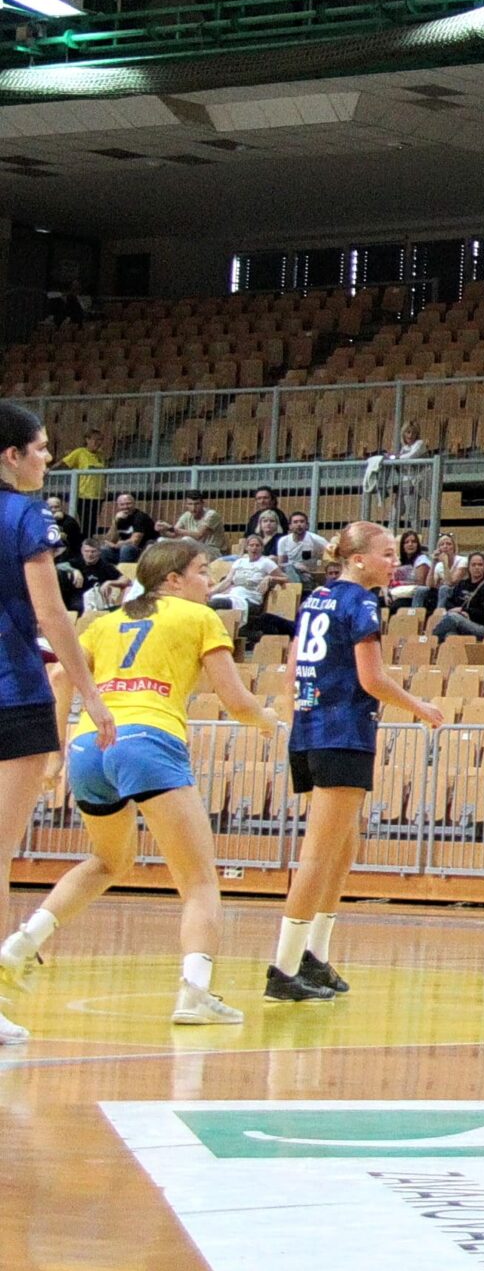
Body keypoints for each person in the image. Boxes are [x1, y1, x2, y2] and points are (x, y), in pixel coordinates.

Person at [0, 540, 278, 1027]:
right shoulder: (200, 617)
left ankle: (21, 945)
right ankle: (195, 993)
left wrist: (55, 754)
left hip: (91, 746)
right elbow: (236, 701)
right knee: (199, 881)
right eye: (201, 571)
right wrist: (268, 722)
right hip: (149, 740)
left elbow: (60, 677)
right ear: (173, 579)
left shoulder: (104, 621)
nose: (209, 582)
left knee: (109, 860)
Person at [270, 521, 444, 1003]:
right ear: (359, 559)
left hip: (311, 731)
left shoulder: (316, 598)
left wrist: (298, 718)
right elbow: (372, 679)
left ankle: (315, 955)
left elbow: (292, 668)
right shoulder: (361, 602)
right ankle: (283, 968)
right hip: (342, 733)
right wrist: (420, 707)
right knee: (318, 856)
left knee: (344, 847)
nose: (395, 562)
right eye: (387, 554)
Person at [0, 402, 116, 1046]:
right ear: (11, 455)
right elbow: (51, 615)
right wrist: (90, 697)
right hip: (13, 693)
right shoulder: (25, 516)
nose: (48, 459)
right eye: (42, 448)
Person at [429, 553, 484, 641]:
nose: (477, 567)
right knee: (450, 635)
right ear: (469, 567)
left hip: (480, 627)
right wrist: (457, 611)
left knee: (453, 617)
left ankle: (431, 639)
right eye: (473, 565)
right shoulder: (462, 584)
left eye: (480, 565)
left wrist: (465, 611)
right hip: (460, 621)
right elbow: (448, 602)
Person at [274, 511, 328, 589]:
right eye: (295, 522)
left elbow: (331, 554)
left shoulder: (317, 540)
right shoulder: (283, 541)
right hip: (289, 574)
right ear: (290, 526)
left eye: (302, 522)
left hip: (309, 575)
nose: (299, 524)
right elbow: (281, 564)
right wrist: (296, 565)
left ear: (307, 525)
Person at [386, 531, 435, 612]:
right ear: (402, 546)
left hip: (414, 596)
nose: (410, 544)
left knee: (395, 606)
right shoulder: (400, 561)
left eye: (413, 542)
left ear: (417, 545)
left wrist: (400, 585)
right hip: (398, 594)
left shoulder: (422, 560)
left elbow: (420, 584)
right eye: (406, 542)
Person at [106, 492, 154, 562]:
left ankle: (124, 569)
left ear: (134, 504)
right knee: (104, 550)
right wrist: (115, 521)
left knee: (126, 549)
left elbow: (135, 541)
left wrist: (117, 545)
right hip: (123, 548)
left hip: (142, 550)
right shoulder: (120, 517)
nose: (125, 507)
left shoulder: (140, 517)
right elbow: (109, 540)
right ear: (118, 505)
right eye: (122, 504)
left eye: (128, 503)